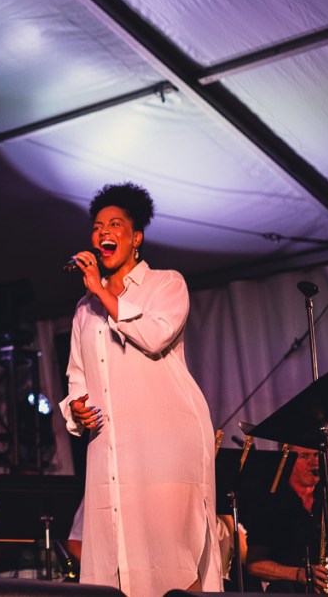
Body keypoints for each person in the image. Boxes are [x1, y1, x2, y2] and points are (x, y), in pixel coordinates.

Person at [59, 182, 222, 595]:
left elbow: (153, 336)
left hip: (165, 443)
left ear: (136, 238)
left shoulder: (166, 284)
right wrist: (76, 407)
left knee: (172, 552)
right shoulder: (83, 310)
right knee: (114, 555)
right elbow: (77, 376)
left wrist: (100, 290)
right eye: (98, 227)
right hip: (110, 448)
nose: (103, 232)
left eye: (115, 225)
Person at [244, 445, 328, 592]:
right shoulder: (270, 503)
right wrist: (299, 574)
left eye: (316, 455)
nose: (314, 462)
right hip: (290, 590)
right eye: (304, 456)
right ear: (287, 459)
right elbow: (254, 564)